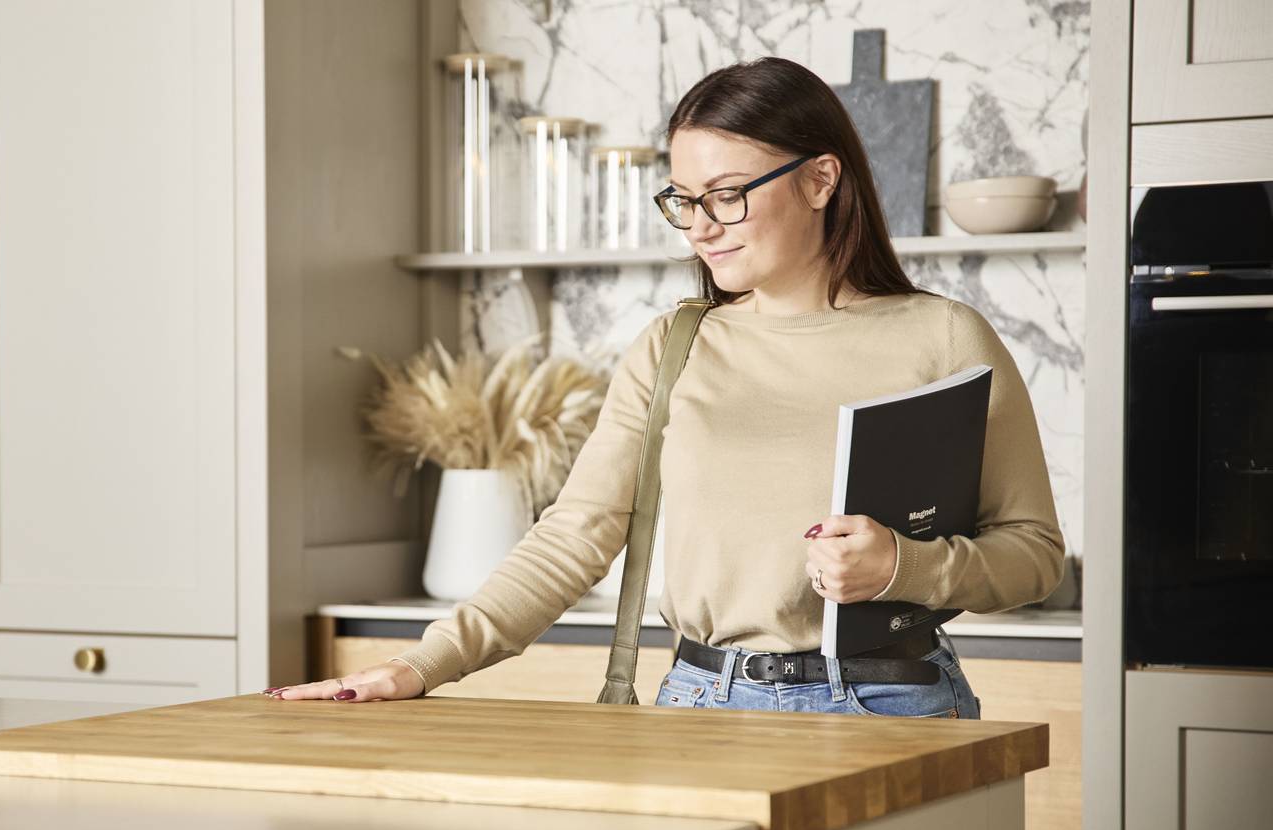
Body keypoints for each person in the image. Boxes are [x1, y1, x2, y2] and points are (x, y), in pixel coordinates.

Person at [268, 57, 1064, 717]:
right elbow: (573, 536)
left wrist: (904, 568)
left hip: (892, 701)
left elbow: (1034, 556)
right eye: (685, 199)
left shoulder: (944, 337)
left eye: (727, 194)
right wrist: (422, 665)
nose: (700, 226)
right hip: (699, 697)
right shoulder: (675, 346)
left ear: (822, 178)